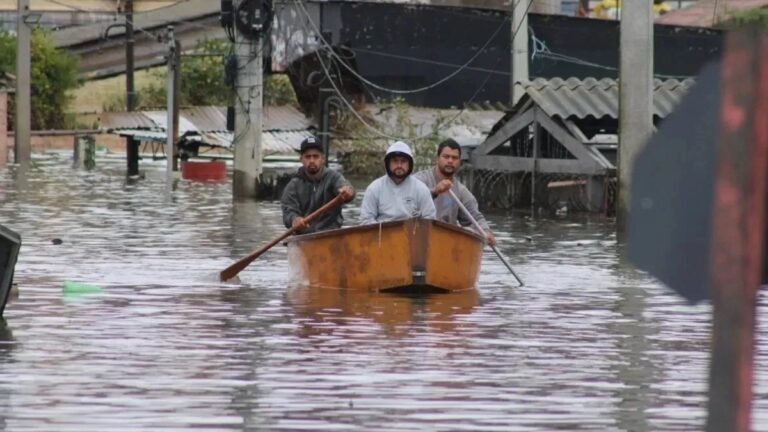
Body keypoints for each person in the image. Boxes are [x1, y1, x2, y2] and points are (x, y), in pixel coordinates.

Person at [413, 138, 497, 246]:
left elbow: (475, 218)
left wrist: (486, 231)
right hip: (417, 239)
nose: (450, 161)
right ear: (437, 159)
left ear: (459, 162)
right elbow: (408, 200)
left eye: (454, 158)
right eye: (446, 157)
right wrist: (434, 191)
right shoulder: (419, 180)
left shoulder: (461, 191)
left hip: (445, 244)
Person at [281, 136, 355, 233]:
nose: (312, 160)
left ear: (323, 159)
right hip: (304, 238)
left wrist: (348, 192)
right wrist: (294, 220)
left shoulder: (333, 177)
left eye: (316, 156)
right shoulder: (293, 185)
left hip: (331, 235)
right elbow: (288, 213)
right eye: (308, 157)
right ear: (301, 159)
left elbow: (346, 188)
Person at [359, 141, 436, 224]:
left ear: (410, 164)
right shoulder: (374, 188)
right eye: (395, 161)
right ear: (388, 163)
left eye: (403, 161)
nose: (399, 165)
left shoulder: (421, 189)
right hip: (382, 235)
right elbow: (365, 220)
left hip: (412, 235)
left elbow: (430, 219)